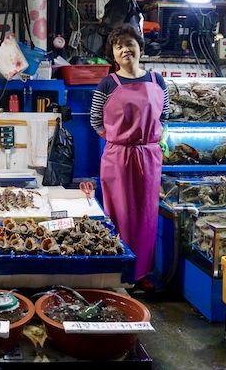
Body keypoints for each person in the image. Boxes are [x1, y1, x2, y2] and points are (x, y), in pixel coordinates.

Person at [90, 24, 170, 288]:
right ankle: (120, 273)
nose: (125, 49)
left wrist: (147, 141)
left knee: (146, 214)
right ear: (113, 55)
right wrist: (118, 140)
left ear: (139, 47)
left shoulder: (157, 81)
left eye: (129, 43)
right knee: (119, 214)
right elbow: (95, 122)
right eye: (118, 45)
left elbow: (165, 115)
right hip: (118, 157)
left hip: (149, 156)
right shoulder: (107, 84)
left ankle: (142, 273)